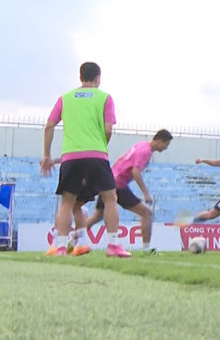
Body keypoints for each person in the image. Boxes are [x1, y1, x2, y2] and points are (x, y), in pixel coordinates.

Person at [39, 62, 130, 258]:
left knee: (67, 202)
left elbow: (49, 126)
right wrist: (100, 145)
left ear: (80, 77)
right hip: (96, 154)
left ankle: (60, 246)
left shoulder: (65, 98)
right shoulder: (104, 97)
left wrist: (46, 155)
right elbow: (108, 129)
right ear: (98, 78)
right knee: (110, 198)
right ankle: (113, 245)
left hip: (70, 156)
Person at [78, 129, 174, 254]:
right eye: (166, 144)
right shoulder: (145, 151)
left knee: (98, 215)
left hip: (109, 180)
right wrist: (145, 193)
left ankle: (73, 240)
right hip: (118, 185)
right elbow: (135, 171)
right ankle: (146, 249)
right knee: (146, 213)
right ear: (160, 141)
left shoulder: (141, 145)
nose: (166, 148)